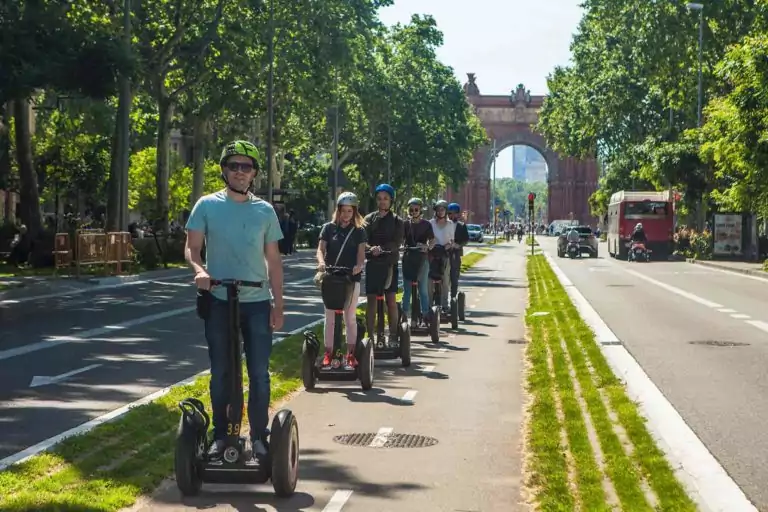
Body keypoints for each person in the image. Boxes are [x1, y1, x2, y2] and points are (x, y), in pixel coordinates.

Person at [185, 140, 284, 463]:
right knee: (222, 372)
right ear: (224, 171)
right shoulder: (206, 205)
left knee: (258, 372)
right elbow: (192, 248)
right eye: (233, 166)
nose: (240, 172)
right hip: (218, 299)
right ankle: (221, 436)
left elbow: (273, 260)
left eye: (246, 166)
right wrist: (199, 270)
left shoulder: (264, 211)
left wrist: (278, 304)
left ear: (254, 172)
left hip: (256, 300)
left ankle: (258, 436)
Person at [316, 192, 367, 369]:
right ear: (338, 211)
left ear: (354, 213)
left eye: (350, 211)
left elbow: (361, 254)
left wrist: (359, 265)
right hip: (331, 278)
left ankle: (350, 355)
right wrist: (321, 263)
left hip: (351, 279)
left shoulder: (359, 231)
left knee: (349, 316)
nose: (346, 215)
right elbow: (321, 250)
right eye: (343, 211)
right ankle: (329, 354)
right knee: (329, 317)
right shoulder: (328, 228)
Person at [364, 183, 404, 343]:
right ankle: (371, 337)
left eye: (386, 199)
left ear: (391, 201)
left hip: (389, 264)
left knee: (391, 300)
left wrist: (383, 249)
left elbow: (397, 242)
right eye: (380, 199)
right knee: (371, 300)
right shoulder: (368, 219)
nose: (382, 202)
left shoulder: (397, 221)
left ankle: (393, 335)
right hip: (373, 264)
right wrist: (370, 248)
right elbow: (362, 240)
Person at [401, 197, 434, 328]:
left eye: (416, 209)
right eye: (411, 209)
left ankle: (425, 314)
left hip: (422, 259)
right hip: (408, 258)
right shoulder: (405, 224)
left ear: (420, 210)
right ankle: (404, 315)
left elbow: (432, 240)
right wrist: (400, 246)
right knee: (407, 290)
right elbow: (401, 239)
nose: (413, 212)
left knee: (423, 290)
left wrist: (428, 246)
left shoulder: (427, 225)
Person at [428, 200, 456, 313]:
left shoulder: (450, 225)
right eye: (438, 210)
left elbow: (452, 241)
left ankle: (445, 304)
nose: (440, 212)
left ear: (446, 211)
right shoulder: (430, 223)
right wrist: (430, 244)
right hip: (432, 254)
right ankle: (429, 304)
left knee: (445, 278)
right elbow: (428, 238)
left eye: (442, 210)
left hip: (444, 254)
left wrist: (448, 246)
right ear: (436, 211)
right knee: (428, 279)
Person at [447, 203, 468, 302]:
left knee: (454, 278)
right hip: (444, 253)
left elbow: (465, 239)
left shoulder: (461, 226)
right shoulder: (444, 224)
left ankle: (453, 298)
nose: (452, 216)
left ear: (458, 214)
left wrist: (458, 245)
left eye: (454, 214)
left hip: (455, 254)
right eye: (450, 213)